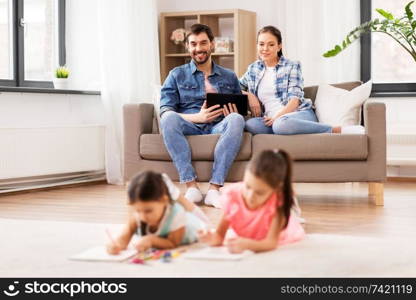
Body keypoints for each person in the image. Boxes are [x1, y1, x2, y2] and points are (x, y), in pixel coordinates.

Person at [160, 23, 245, 208]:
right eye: (193, 44)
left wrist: (234, 113)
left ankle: (214, 190)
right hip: (190, 123)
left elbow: (240, 108)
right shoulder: (176, 75)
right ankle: (192, 187)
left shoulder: (229, 76)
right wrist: (198, 117)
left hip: (218, 125)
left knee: (237, 119)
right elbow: (165, 110)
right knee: (168, 119)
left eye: (203, 43)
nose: (198, 48)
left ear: (212, 44)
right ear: (187, 47)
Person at [240, 25, 364, 135]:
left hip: (298, 114)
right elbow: (235, 87)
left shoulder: (292, 66)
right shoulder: (253, 69)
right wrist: (249, 95)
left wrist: (276, 118)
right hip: (270, 120)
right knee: (250, 124)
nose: (265, 49)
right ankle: (285, 131)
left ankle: (334, 130)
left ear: (279, 46)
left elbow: (295, 101)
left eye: (271, 44)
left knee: (281, 125)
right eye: (261, 44)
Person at [198, 149, 305, 253]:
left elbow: (271, 242)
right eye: (248, 186)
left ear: (275, 190)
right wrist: (212, 238)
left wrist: (248, 245)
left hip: (277, 229)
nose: (250, 196)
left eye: (259, 193)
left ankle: (293, 210)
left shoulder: (277, 204)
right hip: (250, 231)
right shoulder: (233, 196)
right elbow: (220, 235)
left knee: (289, 216)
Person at [106, 171, 209, 254]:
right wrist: (117, 244)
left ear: (164, 201)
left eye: (148, 211)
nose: (142, 216)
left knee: (205, 226)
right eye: (138, 210)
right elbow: (124, 237)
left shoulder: (177, 214)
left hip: (192, 226)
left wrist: (151, 240)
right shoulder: (138, 215)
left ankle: (175, 193)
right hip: (168, 229)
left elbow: (173, 243)